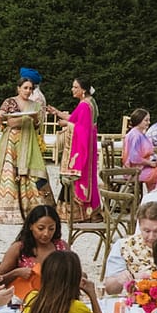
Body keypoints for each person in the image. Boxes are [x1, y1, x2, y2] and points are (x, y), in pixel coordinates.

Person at [0, 70, 49, 223]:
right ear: (18, 88)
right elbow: (1, 120)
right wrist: (2, 118)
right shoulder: (10, 102)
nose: (28, 91)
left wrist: (35, 119)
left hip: (28, 142)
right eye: (25, 88)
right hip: (11, 142)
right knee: (9, 174)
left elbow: (37, 126)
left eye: (30, 88)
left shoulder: (35, 105)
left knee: (29, 174)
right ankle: (9, 210)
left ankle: (31, 209)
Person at [0, 203, 67, 300]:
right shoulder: (19, 248)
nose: (46, 233)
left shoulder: (61, 247)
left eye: (51, 229)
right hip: (22, 302)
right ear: (31, 226)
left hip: (56, 300)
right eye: (40, 228)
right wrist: (15, 273)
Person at [54, 78, 101, 220]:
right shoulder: (88, 102)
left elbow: (82, 129)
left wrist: (65, 124)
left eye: (75, 87)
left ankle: (78, 213)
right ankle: (91, 210)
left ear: (83, 90)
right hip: (88, 143)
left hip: (83, 146)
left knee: (80, 176)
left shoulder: (85, 106)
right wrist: (57, 112)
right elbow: (75, 119)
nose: (72, 89)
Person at [106, 202, 157, 291]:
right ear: (140, 226)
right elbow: (110, 289)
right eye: (147, 231)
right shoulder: (124, 247)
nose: (151, 237)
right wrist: (119, 280)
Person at [123, 108, 157, 191]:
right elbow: (134, 158)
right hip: (133, 171)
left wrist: (154, 160)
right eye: (146, 120)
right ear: (139, 120)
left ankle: (152, 195)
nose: (149, 122)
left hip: (141, 168)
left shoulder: (140, 134)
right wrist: (150, 163)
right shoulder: (135, 135)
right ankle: (153, 196)